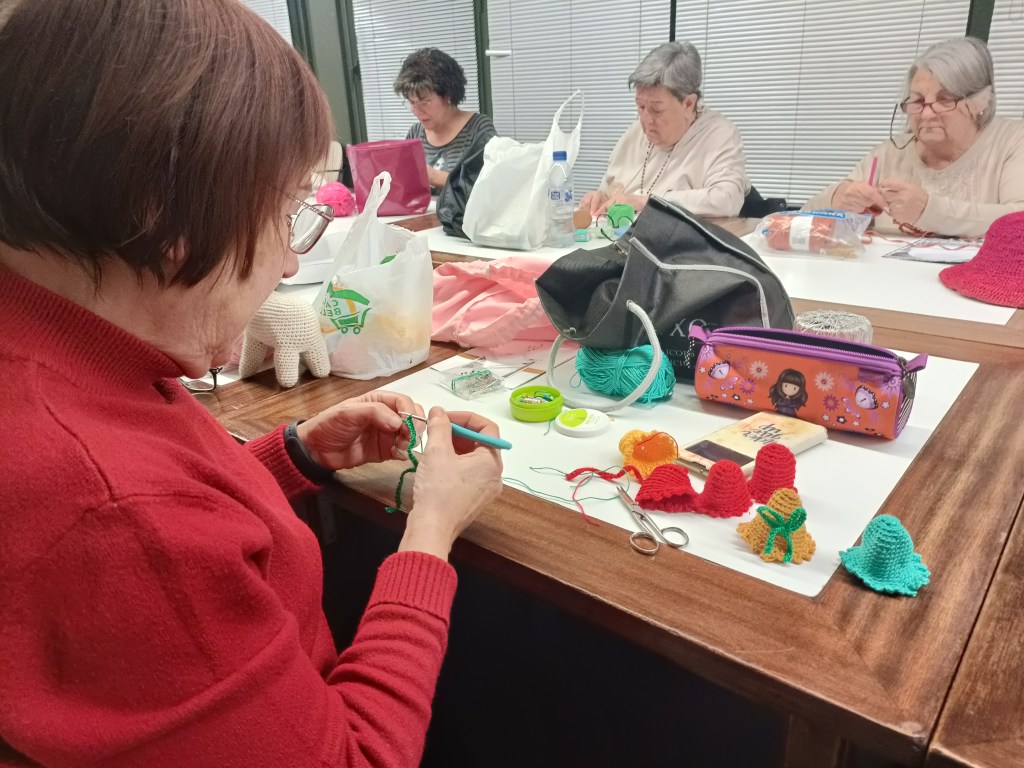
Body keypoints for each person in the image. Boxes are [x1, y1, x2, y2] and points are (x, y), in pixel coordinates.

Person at [0, 2, 503, 767]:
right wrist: (431, 530)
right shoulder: (112, 513)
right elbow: (355, 759)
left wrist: (290, 456)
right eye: (286, 213)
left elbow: (172, 504)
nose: (292, 261)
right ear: (167, 213)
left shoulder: (59, 350)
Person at [803, 37, 1024, 238]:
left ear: (981, 101)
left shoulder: (1012, 141)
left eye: (945, 100)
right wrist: (835, 198)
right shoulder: (889, 154)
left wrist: (929, 210)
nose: (926, 114)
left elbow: (1019, 221)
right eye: (917, 101)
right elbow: (798, 223)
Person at [579, 41, 750, 220]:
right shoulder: (635, 133)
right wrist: (600, 200)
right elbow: (610, 192)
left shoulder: (719, 135)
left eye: (656, 109)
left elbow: (726, 199)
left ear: (688, 104)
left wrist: (648, 202)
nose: (646, 119)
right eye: (641, 106)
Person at [394, 47, 497, 192]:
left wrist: (433, 176)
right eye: (412, 103)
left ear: (448, 95)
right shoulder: (415, 133)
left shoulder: (478, 128)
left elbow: (489, 185)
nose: (417, 111)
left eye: (425, 102)